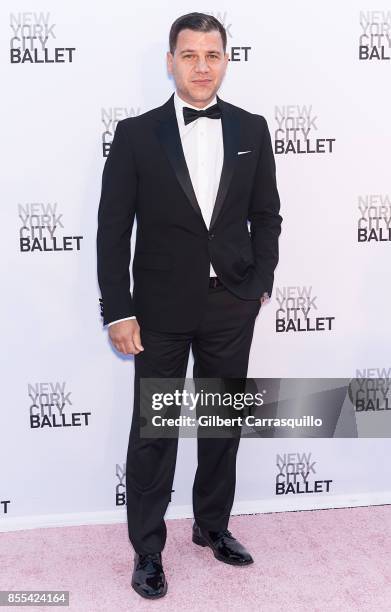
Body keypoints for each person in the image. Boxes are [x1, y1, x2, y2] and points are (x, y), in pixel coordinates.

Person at [97, 12, 282, 600]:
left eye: (212, 55)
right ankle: (148, 550)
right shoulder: (135, 134)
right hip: (157, 311)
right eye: (190, 55)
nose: (202, 66)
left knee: (221, 423)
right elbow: (111, 231)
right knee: (155, 430)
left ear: (227, 60)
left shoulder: (253, 128)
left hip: (231, 302)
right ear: (170, 61)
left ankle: (212, 525)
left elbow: (267, 215)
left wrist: (258, 282)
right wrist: (118, 310)